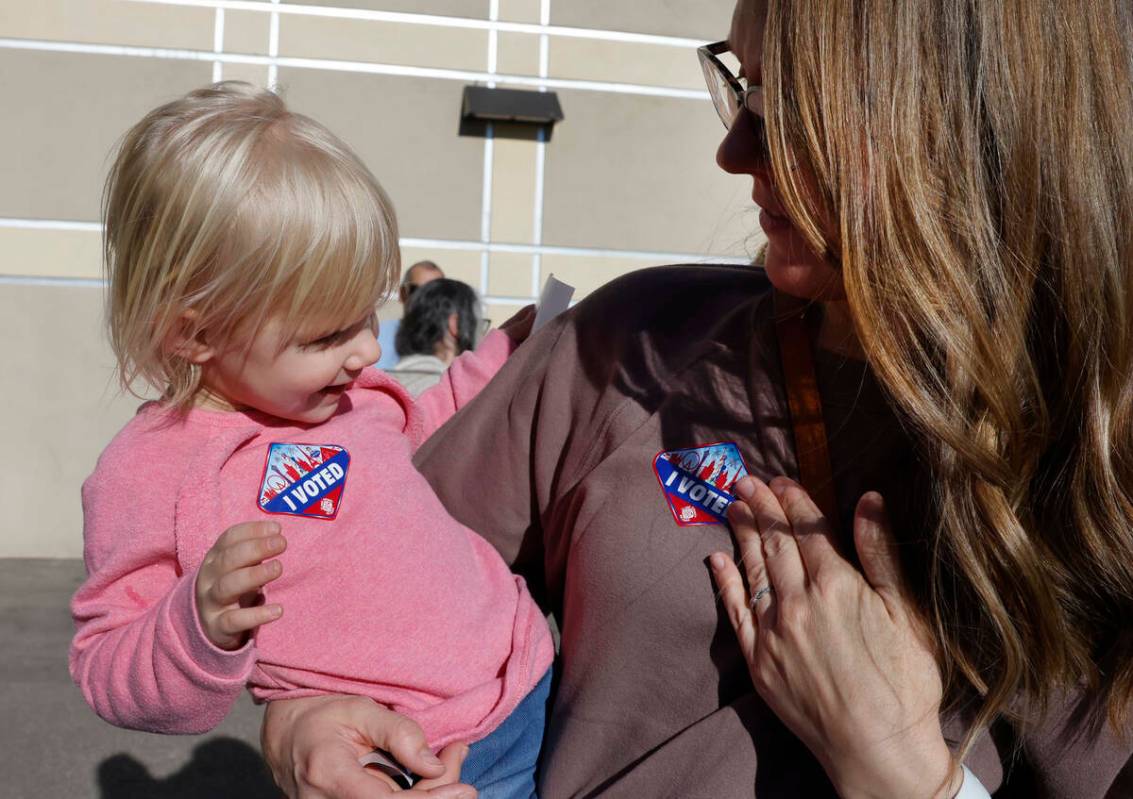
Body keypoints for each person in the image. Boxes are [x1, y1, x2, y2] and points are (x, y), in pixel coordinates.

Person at [274, 0, 1130, 794]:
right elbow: (352, 573)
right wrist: (304, 717)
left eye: (793, 107)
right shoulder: (628, 345)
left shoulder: (1105, 453)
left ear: (976, 122)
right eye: (744, 88)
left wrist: (900, 768)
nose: (735, 152)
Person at [68, 83, 552, 799]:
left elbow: (432, 420)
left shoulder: (347, 399)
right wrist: (195, 621)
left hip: (530, 670)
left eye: (368, 316)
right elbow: (104, 663)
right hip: (408, 756)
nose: (365, 351)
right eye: (328, 334)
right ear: (194, 332)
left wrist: (506, 350)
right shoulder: (150, 468)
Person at [390, 279, 484, 397]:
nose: (483, 336)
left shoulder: (388, 381)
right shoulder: (449, 392)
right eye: (480, 325)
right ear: (455, 325)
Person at [376, 260, 446, 369]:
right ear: (403, 293)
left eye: (434, 293)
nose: (423, 299)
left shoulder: (455, 340)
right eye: (416, 290)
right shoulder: (378, 334)